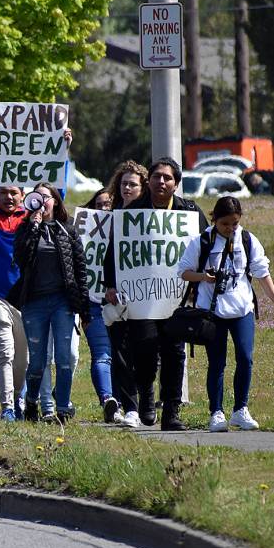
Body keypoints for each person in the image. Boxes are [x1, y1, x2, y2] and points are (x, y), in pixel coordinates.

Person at [0, 124, 73, 421]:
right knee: (4, 352)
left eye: (15, 193)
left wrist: (63, 150)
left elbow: (56, 194)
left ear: (24, 196)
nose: (10, 198)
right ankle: (7, 406)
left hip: (26, 299)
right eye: (4, 192)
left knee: (24, 358)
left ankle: (20, 401)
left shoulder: (32, 219)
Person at [104, 157, 208, 431]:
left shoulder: (190, 213)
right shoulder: (131, 212)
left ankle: (171, 413)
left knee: (175, 354)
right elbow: (113, 253)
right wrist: (111, 285)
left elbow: (207, 250)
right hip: (142, 300)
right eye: (156, 177)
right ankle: (146, 395)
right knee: (146, 352)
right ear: (148, 180)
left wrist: (202, 282)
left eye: (167, 178)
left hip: (177, 300)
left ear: (176, 184)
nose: (161, 182)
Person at [178, 196, 274, 432]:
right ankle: (216, 412)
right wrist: (203, 277)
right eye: (225, 224)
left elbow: (262, 273)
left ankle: (240, 409)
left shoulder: (247, 240)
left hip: (242, 310)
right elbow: (184, 272)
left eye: (234, 223)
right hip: (213, 312)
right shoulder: (202, 242)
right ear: (214, 219)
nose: (229, 229)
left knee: (246, 358)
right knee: (217, 363)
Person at [12, 183, 89, 422]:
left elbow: (80, 269)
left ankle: (63, 407)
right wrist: (34, 225)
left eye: (46, 197)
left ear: (55, 201)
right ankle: (32, 401)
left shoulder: (67, 230)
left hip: (62, 302)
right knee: (37, 362)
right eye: (37, 197)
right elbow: (21, 257)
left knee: (64, 358)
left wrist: (84, 307)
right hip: (34, 302)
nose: (42, 202)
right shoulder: (25, 229)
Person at [104, 161, 148, 427]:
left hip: (146, 296)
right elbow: (108, 254)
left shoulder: (150, 214)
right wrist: (109, 284)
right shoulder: (112, 215)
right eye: (124, 184)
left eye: (133, 184)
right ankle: (130, 407)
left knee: (143, 352)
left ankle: (145, 401)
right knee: (119, 352)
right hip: (118, 296)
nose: (127, 188)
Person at [76, 187, 118, 422]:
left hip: (124, 304)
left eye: (109, 204)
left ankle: (126, 402)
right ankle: (107, 399)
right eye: (100, 204)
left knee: (124, 356)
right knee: (101, 355)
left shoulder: (126, 227)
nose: (105, 208)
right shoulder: (81, 234)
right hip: (92, 303)